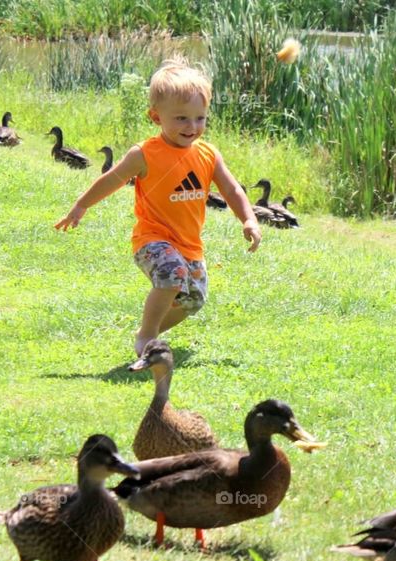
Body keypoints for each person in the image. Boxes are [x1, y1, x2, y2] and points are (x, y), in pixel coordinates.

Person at [55, 58, 261, 355]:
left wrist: (249, 220)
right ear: (156, 117)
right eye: (181, 119)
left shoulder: (208, 154)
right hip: (152, 240)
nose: (192, 127)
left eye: (200, 118)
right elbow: (112, 179)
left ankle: (146, 328)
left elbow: (231, 189)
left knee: (194, 299)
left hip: (189, 244)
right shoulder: (145, 154)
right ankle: (148, 337)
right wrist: (80, 206)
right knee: (173, 273)